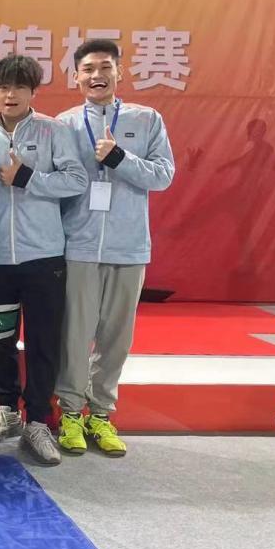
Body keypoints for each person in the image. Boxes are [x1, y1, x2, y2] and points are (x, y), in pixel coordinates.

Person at [55, 39, 175, 457]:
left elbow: (163, 175)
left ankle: (101, 413)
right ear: (76, 77)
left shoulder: (147, 119)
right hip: (79, 245)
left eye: (105, 67)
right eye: (88, 69)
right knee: (75, 335)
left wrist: (120, 158)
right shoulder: (64, 125)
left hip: (129, 246)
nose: (97, 76)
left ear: (120, 73)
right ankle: (71, 412)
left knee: (116, 337)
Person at [0, 54, 88, 466]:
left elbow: (77, 180)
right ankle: (6, 409)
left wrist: (27, 177)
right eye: (3, 87)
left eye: (20, 87)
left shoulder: (54, 131)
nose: (11, 94)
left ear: (33, 92)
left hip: (43, 257)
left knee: (43, 342)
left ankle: (38, 420)